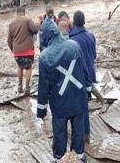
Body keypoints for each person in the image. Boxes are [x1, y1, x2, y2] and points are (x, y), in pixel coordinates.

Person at [37, 19, 91, 163]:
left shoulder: (44, 56)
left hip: (59, 103)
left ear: (46, 36)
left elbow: (43, 86)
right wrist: (88, 90)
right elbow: (85, 71)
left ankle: (60, 158)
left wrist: (41, 111)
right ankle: (79, 156)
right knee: (78, 132)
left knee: (59, 134)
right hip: (78, 98)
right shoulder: (74, 46)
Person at [70, 11, 96, 140]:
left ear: (73, 22)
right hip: (90, 73)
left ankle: (81, 134)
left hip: (78, 76)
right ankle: (86, 133)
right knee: (85, 103)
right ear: (84, 21)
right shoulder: (91, 36)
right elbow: (94, 56)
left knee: (79, 106)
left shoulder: (72, 40)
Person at [8, 7, 40, 94]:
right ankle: (27, 87)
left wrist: (13, 49)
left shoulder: (12, 24)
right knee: (28, 68)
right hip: (27, 50)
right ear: (24, 12)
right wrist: (39, 23)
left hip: (17, 51)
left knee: (19, 67)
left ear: (17, 13)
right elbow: (35, 30)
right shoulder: (27, 20)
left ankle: (19, 86)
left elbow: (9, 40)